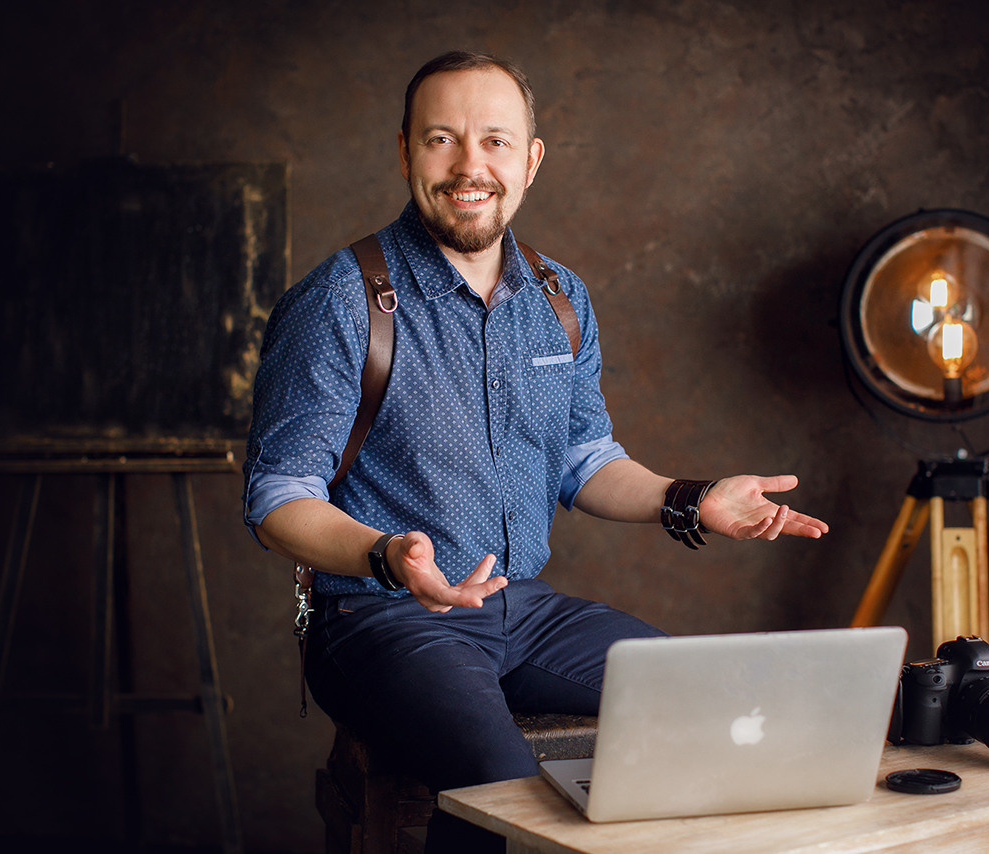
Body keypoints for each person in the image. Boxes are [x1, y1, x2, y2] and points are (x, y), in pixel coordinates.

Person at [242, 50, 829, 852]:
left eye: (494, 141)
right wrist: (386, 553)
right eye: (441, 139)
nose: (469, 166)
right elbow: (278, 498)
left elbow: (585, 459)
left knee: (718, 702)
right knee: (506, 803)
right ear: (406, 150)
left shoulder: (559, 298)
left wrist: (690, 499)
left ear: (531, 159)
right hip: (381, 619)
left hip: (519, 608)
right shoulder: (341, 300)